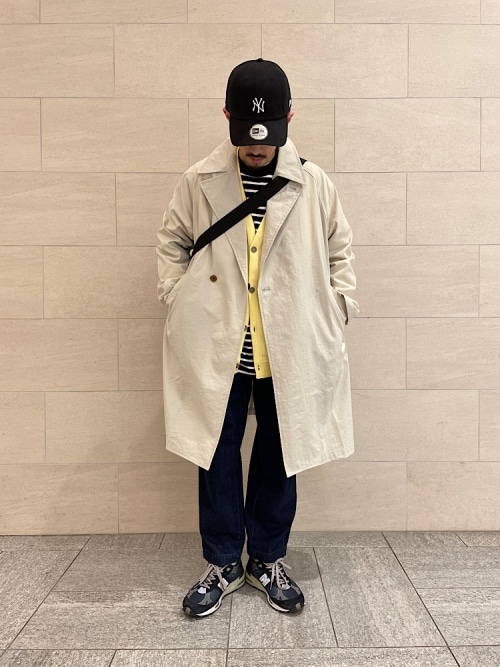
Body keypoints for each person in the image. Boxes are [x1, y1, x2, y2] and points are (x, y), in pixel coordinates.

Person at [156, 58, 359, 618]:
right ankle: (223, 563)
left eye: (267, 135)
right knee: (215, 455)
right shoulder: (199, 181)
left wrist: (338, 306)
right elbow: (171, 242)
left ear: (289, 119)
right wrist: (176, 295)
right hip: (217, 345)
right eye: (246, 133)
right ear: (228, 117)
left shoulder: (313, 183)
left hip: (288, 346)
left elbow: (341, 250)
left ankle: (266, 560)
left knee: (280, 454)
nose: (256, 146)